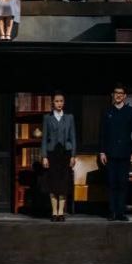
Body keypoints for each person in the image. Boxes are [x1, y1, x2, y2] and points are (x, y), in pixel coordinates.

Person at [99, 83, 132, 221]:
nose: (118, 95)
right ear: (113, 95)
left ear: (125, 96)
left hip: (125, 153)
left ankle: (121, 212)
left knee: (122, 183)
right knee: (112, 183)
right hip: (110, 153)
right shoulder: (107, 111)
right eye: (116, 93)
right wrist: (102, 152)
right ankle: (112, 212)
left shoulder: (131, 111)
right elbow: (102, 133)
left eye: (121, 93)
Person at [42, 91, 77, 221]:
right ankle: (54, 212)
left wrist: (73, 155)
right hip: (52, 153)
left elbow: (73, 137)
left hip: (65, 153)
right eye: (57, 101)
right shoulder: (47, 118)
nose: (59, 103)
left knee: (63, 183)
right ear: (53, 102)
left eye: (61, 101)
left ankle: (61, 212)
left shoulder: (69, 117)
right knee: (53, 183)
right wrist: (44, 156)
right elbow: (44, 138)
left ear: (64, 102)